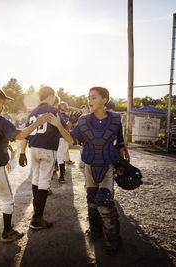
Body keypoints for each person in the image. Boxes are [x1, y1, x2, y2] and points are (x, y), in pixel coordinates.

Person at [0, 87, 52, 251]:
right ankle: (7, 232)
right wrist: (38, 123)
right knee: (7, 199)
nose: (3, 107)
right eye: (1, 103)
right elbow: (20, 135)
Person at [70, 87, 129, 255]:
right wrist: (68, 124)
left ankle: (112, 237)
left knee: (104, 200)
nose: (89, 100)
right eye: (89, 97)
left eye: (93, 97)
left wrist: (121, 160)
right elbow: (74, 138)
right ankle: (95, 230)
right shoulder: (84, 119)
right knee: (91, 199)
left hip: (107, 164)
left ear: (104, 100)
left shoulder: (116, 119)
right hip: (89, 163)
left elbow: (119, 140)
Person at [19, 86, 74, 230]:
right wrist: (71, 123)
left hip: (34, 148)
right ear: (50, 96)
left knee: (35, 179)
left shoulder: (33, 111)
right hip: (47, 149)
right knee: (43, 182)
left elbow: (25, 133)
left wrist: (22, 152)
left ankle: (37, 211)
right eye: (53, 96)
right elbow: (63, 132)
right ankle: (37, 219)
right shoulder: (53, 109)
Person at [56, 101, 70, 184]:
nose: (65, 107)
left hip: (63, 138)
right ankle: (61, 175)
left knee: (62, 155)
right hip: (60, 138)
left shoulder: (66, 116)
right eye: (63, 106)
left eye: (65, 106)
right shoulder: (58, 115)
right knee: (60, 155)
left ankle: (62, 172)